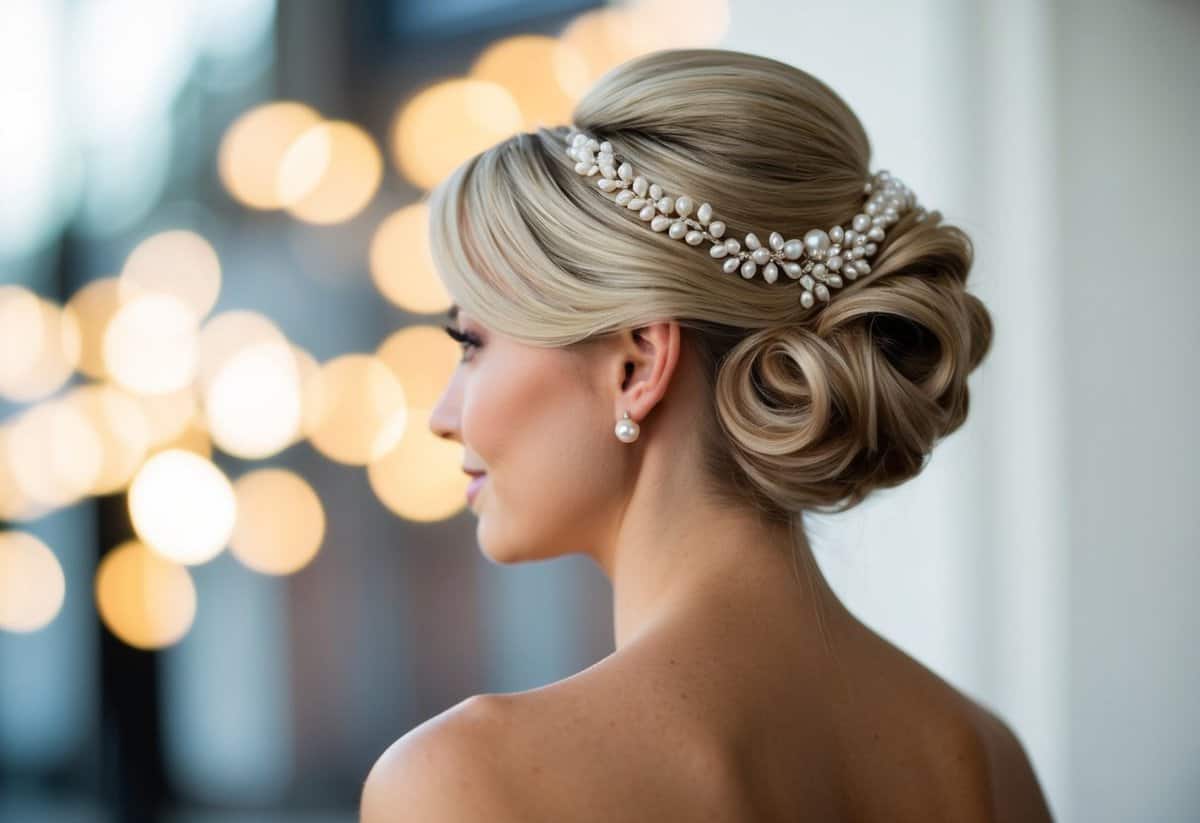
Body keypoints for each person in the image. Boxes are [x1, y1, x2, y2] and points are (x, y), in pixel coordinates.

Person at [361, 48, 1054, 822]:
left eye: (471, 344)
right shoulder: (986, 759)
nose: (440, 414)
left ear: (638, 365)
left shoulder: (467, 781)